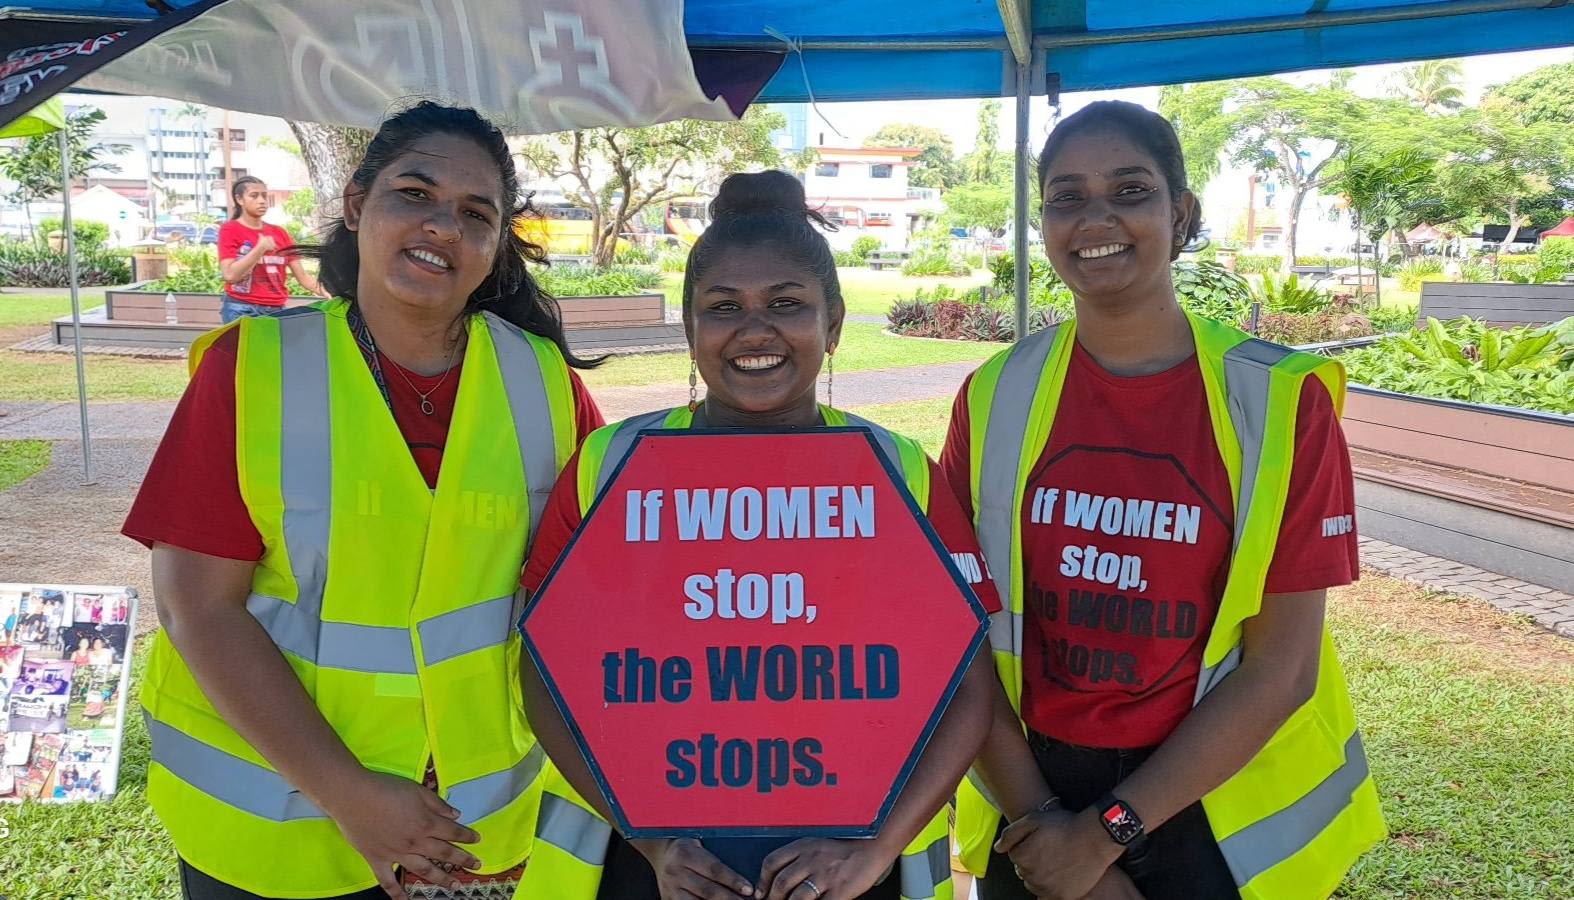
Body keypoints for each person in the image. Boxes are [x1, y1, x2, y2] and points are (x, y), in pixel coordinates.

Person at [124, 101, 606, 900]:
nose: (442, 226)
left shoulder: (545, 386)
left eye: (474, 213)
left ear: (496, 243)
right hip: (272, 827)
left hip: (466, 828)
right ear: (357, 204)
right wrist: (353, 798)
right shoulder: (255, 369)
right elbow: (197, 608)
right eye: (414, 193)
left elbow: (602, 586)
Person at [514, 171, 1001, 900]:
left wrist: (873, 852)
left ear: (833, 324)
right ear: (689, 327)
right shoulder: (609, 466)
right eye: (723, 307)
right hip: (652, 868)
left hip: (853, 868)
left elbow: (970, 686)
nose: (754, 330)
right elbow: (544, 667)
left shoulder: (900, 472)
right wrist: (651, 843)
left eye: (786, 304)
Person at [950, 102, 1386, 900]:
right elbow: (959, 640)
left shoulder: (1281, 402)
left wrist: (1104, 836)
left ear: (1180, 214)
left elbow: (1282, 667)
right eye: (1066, 196)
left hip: (1207, 806)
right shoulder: (993, 395)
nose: (1096, 218)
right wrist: (1050, 826)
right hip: (1034, 797)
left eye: (1129, 190)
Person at [218, 175, 326, 323]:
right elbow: (230, 275)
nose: (262, 201)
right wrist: (259, 249)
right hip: (241, 309)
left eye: (264, 195)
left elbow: (303, 278)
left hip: (276, 310)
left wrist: (328, 292)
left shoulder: (280, 233)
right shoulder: (230, 229)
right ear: (239, 199)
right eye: (254, 196)